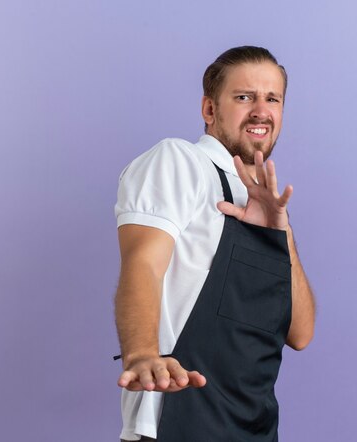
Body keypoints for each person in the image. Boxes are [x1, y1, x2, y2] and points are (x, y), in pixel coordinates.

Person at [114, 46, 316, 442]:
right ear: (209, 110)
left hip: (254, 428)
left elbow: (300, 334)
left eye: (272, 99)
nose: (261, 110)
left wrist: (281, 232)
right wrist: (141, 354)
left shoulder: (262, 202)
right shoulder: (180, 160)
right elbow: (143, 263)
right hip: (181, 421)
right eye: (244, 97)